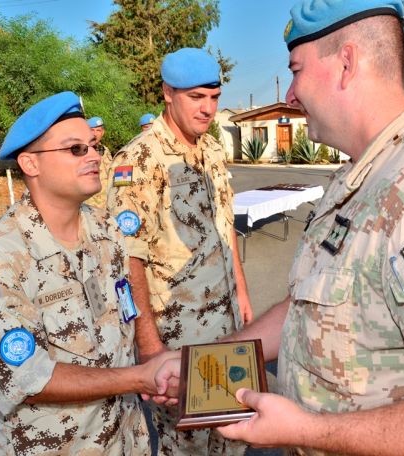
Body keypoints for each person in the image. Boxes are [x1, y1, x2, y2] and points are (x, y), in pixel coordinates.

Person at [156, 2, 404, 455]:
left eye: (296, 71)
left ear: (347, 63)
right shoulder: (362, 174)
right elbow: (310, 306)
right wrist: (200, 366)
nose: (290, 94)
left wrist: (305, 430)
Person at [0, 91, 178, 455]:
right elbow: (28, 376)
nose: (94, 155)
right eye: (75, 149)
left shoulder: (107, 231)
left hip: (126, 440)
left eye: (93, 145)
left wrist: (151, 361)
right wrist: (139, 377)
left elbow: (125, 311)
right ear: (30, 163)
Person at [106, 48, 251, 455]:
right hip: (178, 338)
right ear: (168, 93)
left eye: (214, 97)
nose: (208, 109)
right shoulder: (139, 160)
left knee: (234, 435)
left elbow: (225, 225)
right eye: (196, 97)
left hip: (226, 328)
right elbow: (127, 259)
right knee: (187, 445)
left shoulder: (212, 150)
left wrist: (241, 292)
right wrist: (150, 347)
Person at [85, 116, 113, 207]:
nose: (95, 134)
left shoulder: (105, 150)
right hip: (88, 204)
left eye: (98, 130)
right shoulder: (81, 151)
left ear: (103, 132)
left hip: (105, 203)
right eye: (92, 130)